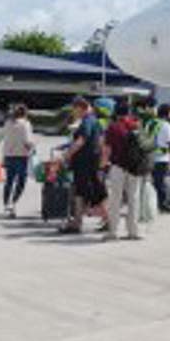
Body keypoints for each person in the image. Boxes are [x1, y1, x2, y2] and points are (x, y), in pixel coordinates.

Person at [60, 96, 106, 234]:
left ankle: (78, 223)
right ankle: (79, 221)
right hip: (92, 163)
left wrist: (66, 155)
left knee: (87, 193)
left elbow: (81, 140)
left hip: (85, 164)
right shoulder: (95, 121)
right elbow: (101, 142)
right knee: (93, 192)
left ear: (81, 108)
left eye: (75, 110)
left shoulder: (87, 121)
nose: (74, 113)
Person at [102, 102, 147, 240]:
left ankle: (113, 232)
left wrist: (102, 165)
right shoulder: (137, 126)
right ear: (129, 113)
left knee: (115, 199)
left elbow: (107, 149)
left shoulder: (113, 127)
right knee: (134, 199)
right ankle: (134, 231)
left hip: (118, 167)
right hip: (135, 168)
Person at [0, 104, 35, 218]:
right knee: (21, 181)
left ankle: (7, 205)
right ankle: (13, 202)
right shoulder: (26, 124)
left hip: (8, 156)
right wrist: (33, 147)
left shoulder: (8, 123)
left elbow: (0, 136)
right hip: (21, 156)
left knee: (9, 181)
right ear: (25, 114)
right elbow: (27, 141)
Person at [152, 103, 170, 212]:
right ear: (167, 114)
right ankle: (162, 204)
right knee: (160, 182)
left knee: (155, 182)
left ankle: (154, 203)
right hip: (162, 158)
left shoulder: (151, 123)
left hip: (150, 157)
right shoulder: (166, 125)